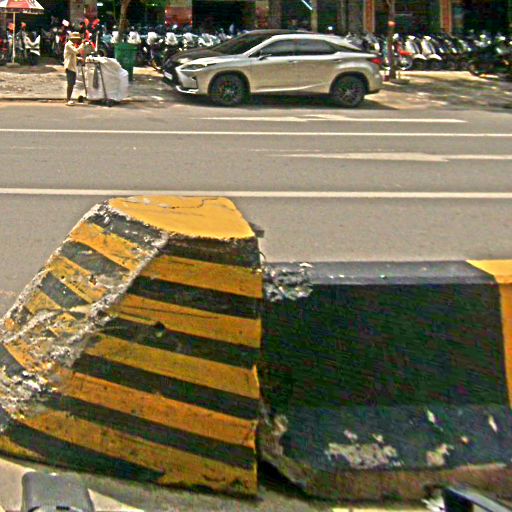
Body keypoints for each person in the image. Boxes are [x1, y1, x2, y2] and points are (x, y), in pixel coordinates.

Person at [63, 31, 86, 105]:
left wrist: (78, 59)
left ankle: (69, 99)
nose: (77, 40)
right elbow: (76, 51)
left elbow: (73, 56)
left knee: (72, 83)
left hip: (72, 66)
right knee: (70, 83)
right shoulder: (68, 45)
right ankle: (68, 99)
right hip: (69, 66)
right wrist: (82, 44)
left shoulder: (71, 45)